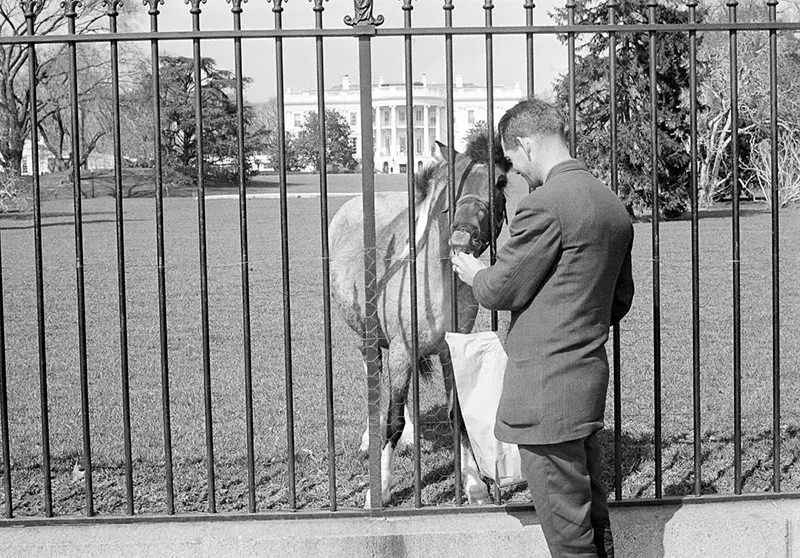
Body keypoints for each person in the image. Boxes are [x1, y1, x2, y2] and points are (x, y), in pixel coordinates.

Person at [451, 98, 634, 558]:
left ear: (527, 144)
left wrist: (475, 272)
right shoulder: (608, 202)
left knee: (568, 535)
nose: (513, 169)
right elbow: (619, 299)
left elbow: (499, 290)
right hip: (586, 380)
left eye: (511, 158)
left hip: (545, 396)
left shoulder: (545, 205)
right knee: (592, 518)